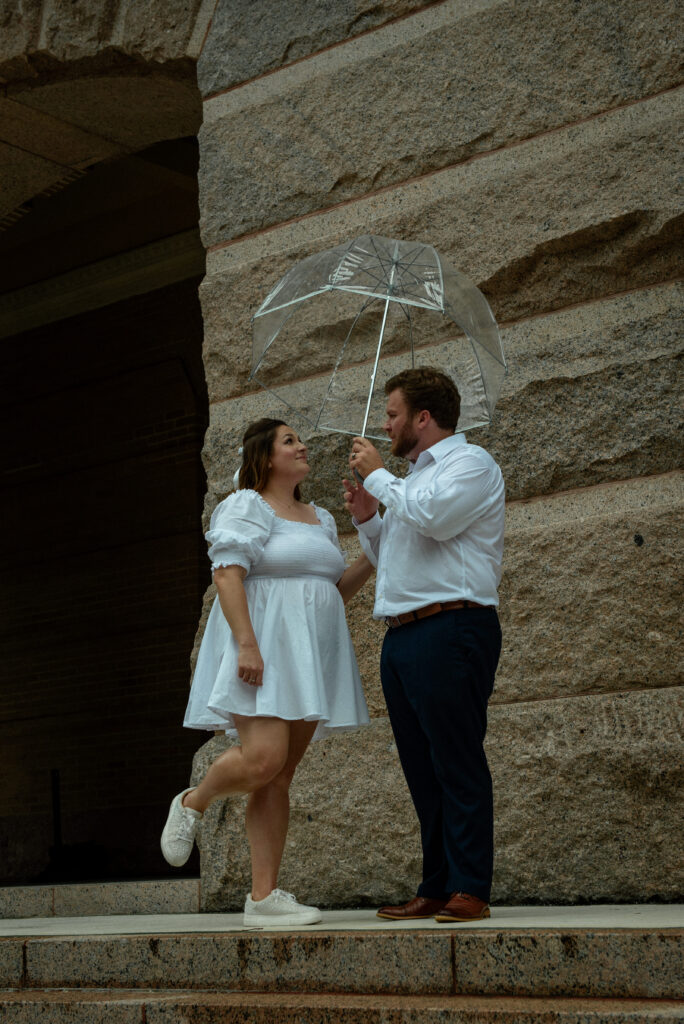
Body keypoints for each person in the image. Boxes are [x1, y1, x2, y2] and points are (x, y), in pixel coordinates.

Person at [162, 417, 372, 927]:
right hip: (260, 645)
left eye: (300, 439)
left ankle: (263, 897)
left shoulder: (320, 517)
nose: (302, 446)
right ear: (264, 456)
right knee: (262, 760)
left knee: (279, 775)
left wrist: (375, 546)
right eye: (290, 441)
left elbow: (331, 592)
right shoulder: (248, 505)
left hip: (307, 653)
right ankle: (194, 799)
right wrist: (247, 645)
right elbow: (228, 574)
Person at [343, 367, 504, 923]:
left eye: (392, 414)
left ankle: (470, 887)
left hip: (452, 628)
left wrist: (382, 478)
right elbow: (399, 553)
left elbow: (434, 519)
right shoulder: (409, 479)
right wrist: (369, 519)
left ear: (423, 418)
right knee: (421, 767)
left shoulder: (470, 464)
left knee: (456, 760)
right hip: (403, 636)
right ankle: (435, 885)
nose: (385, 425)